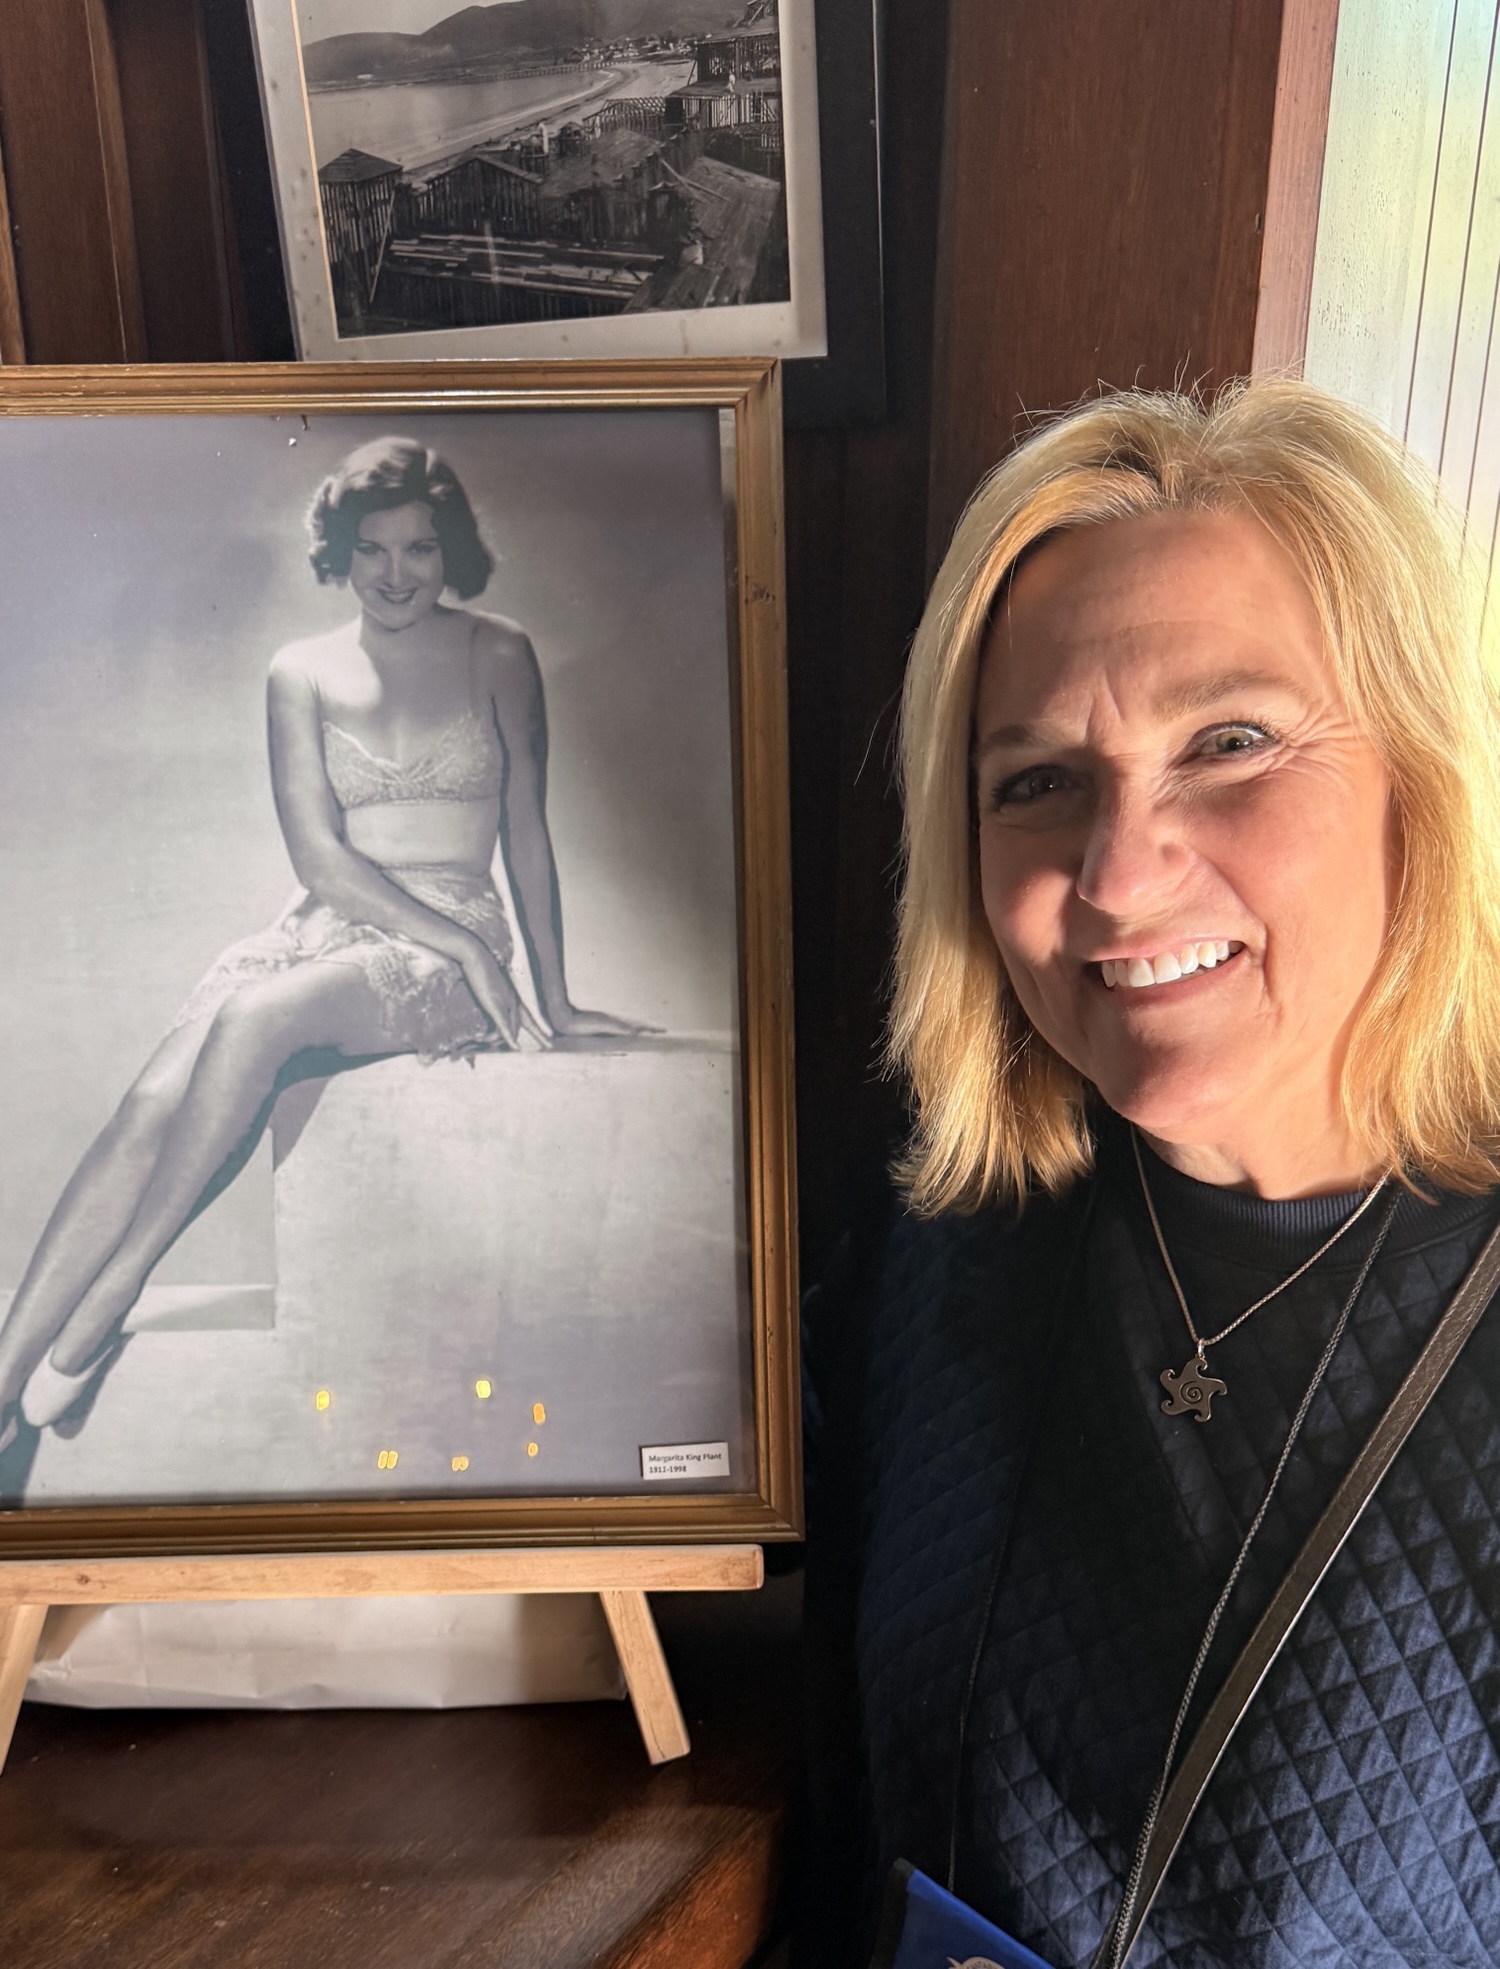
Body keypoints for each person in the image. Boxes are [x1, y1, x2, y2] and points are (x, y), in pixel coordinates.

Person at [800, 379, 1500, 1967]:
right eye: (1035, 780)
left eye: (1229, 742)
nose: (1116, 877)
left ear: (1428, 776)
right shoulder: (942, 1244)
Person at [0, 436, 641, 1462]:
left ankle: (112, 1291)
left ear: (451, 549)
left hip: (449, 939)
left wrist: (545, 994)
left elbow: (528, 828)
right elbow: (320, 855)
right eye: (372, 549)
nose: (396, 575)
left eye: (420, 548)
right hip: (324, 921)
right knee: (151, 1101)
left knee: (257, 1018)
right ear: (337, 552)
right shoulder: (297, 669)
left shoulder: (499, 651)